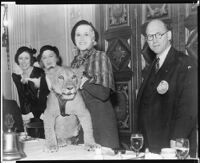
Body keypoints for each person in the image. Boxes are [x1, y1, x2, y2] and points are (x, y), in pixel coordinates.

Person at [137, 19, 197, 157]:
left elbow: (189, 107)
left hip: (171, 144)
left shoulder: (184, 63)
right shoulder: (152, 65)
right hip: (150, 144)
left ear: (169, 35)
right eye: (150, 37)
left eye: (159, 35)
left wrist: (177, 139)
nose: (154, 40)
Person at [70, 20, 120, 149]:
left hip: (101, 123)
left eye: (86, 34)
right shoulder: (74, 63)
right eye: (78, 35)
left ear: (93, 39)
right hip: (83, 124)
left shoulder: (100, 57)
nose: (81, 38)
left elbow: (104, 93)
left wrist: (83, 82)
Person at [12, 46, 46, 124]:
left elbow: (38, 97)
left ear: (31, 59)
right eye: (21, 58)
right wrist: (25, 115)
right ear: (17, 60)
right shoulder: (16, 75)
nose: (23, 62)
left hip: (41, 114)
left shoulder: (39, 73)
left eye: (26, 58)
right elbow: (22, 96)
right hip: (26, 113)